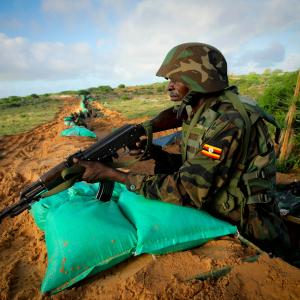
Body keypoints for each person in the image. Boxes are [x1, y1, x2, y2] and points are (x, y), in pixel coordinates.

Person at [74, 43, 291, 259]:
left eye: (176, 79)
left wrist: (113, 175)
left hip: (252, 227)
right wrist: (158, 154)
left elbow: (189, 188)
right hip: (226, 210)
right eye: (169, 80)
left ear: (200, 80)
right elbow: (199, 168)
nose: (169, 86)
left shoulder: (228, 121)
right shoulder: (203, 111)